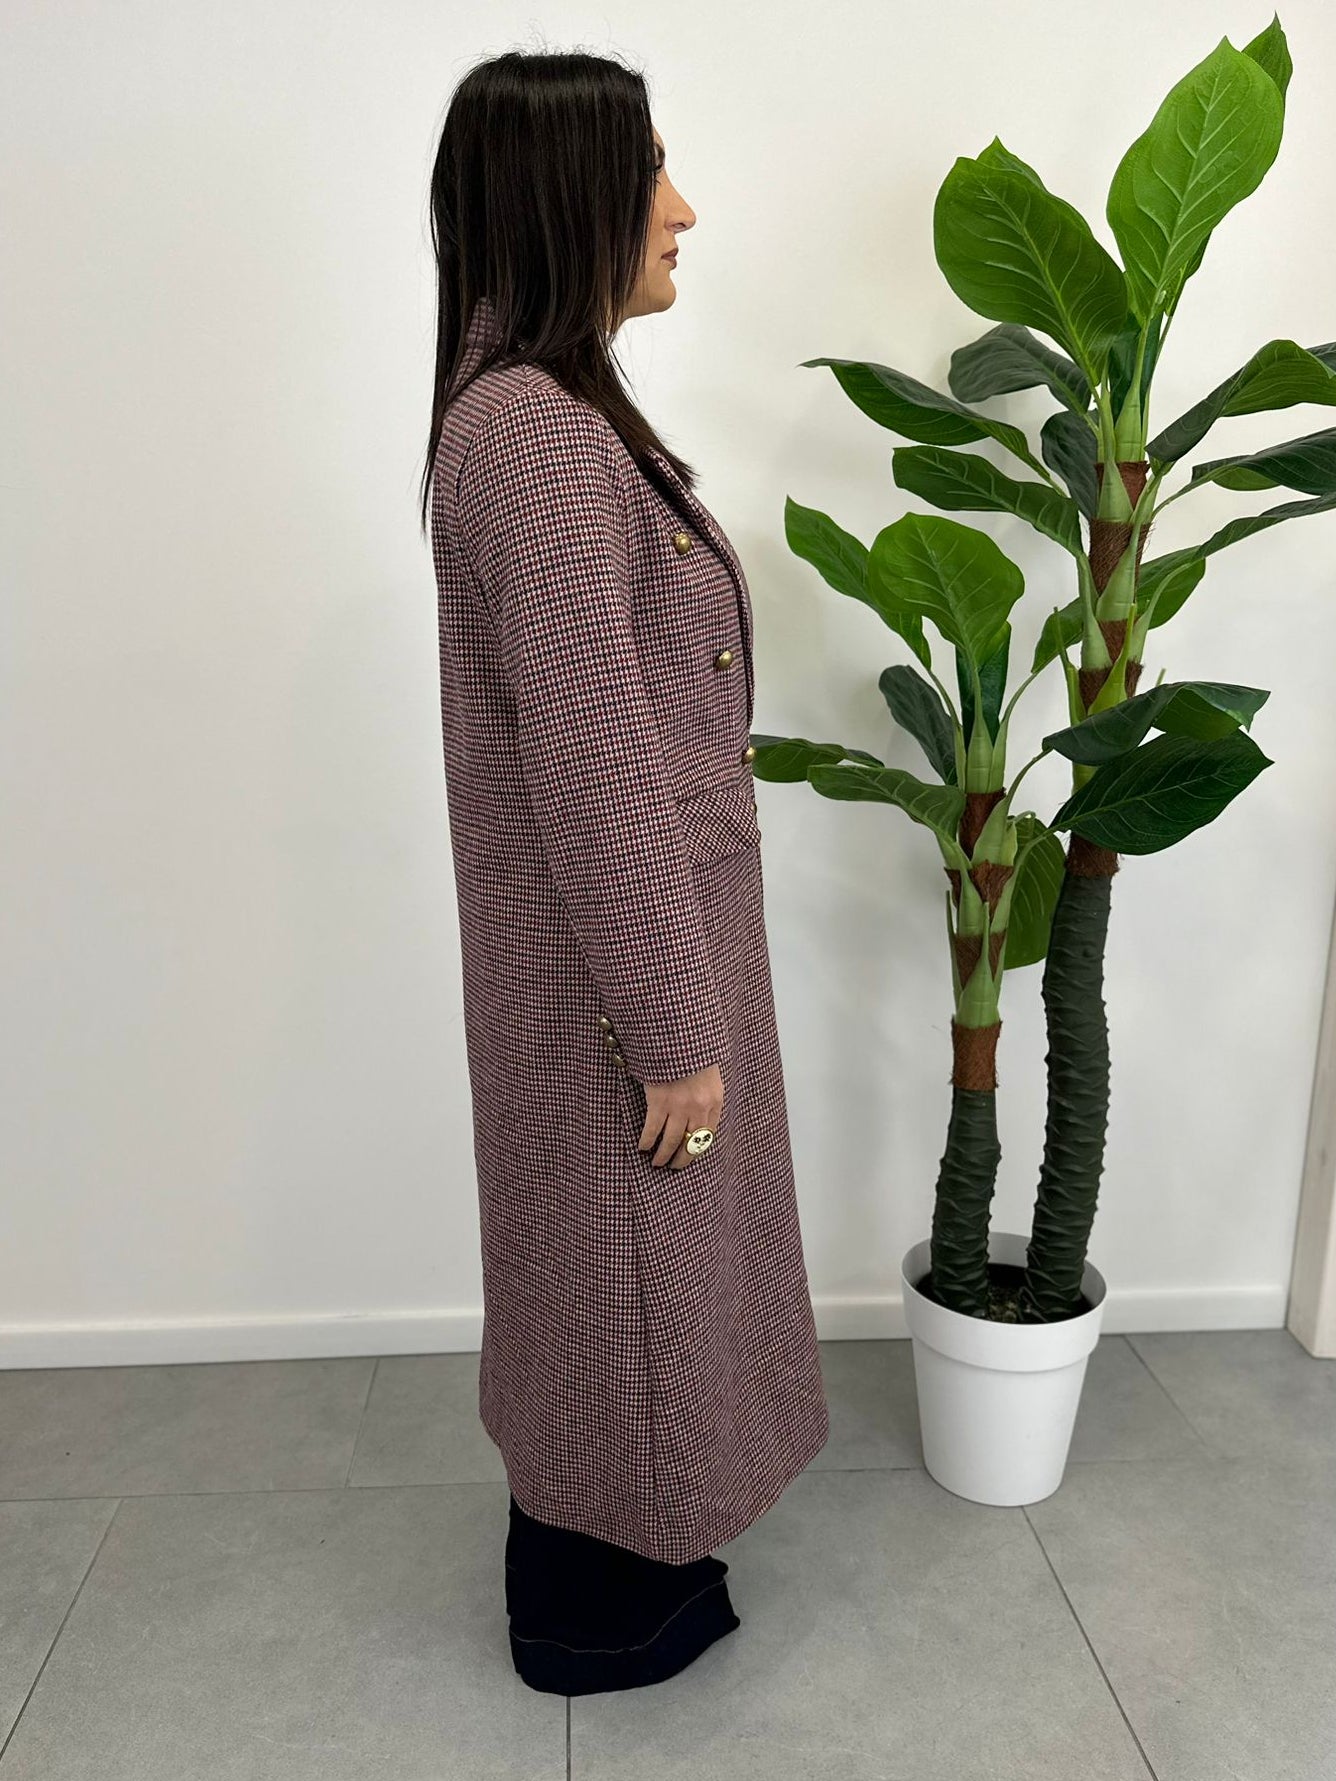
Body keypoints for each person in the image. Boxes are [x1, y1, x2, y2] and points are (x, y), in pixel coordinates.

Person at [420, 48, 829, 1695]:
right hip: (619, 991)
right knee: (623, 1283)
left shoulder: (542, 410)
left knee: (625, 1284)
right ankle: (596, 1609)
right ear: (564, 195)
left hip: (633, 960)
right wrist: (673, 1031)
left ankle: (632, 1568)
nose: (684, 208)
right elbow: (591, 773)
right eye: (652, 170)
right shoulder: (531, 434)